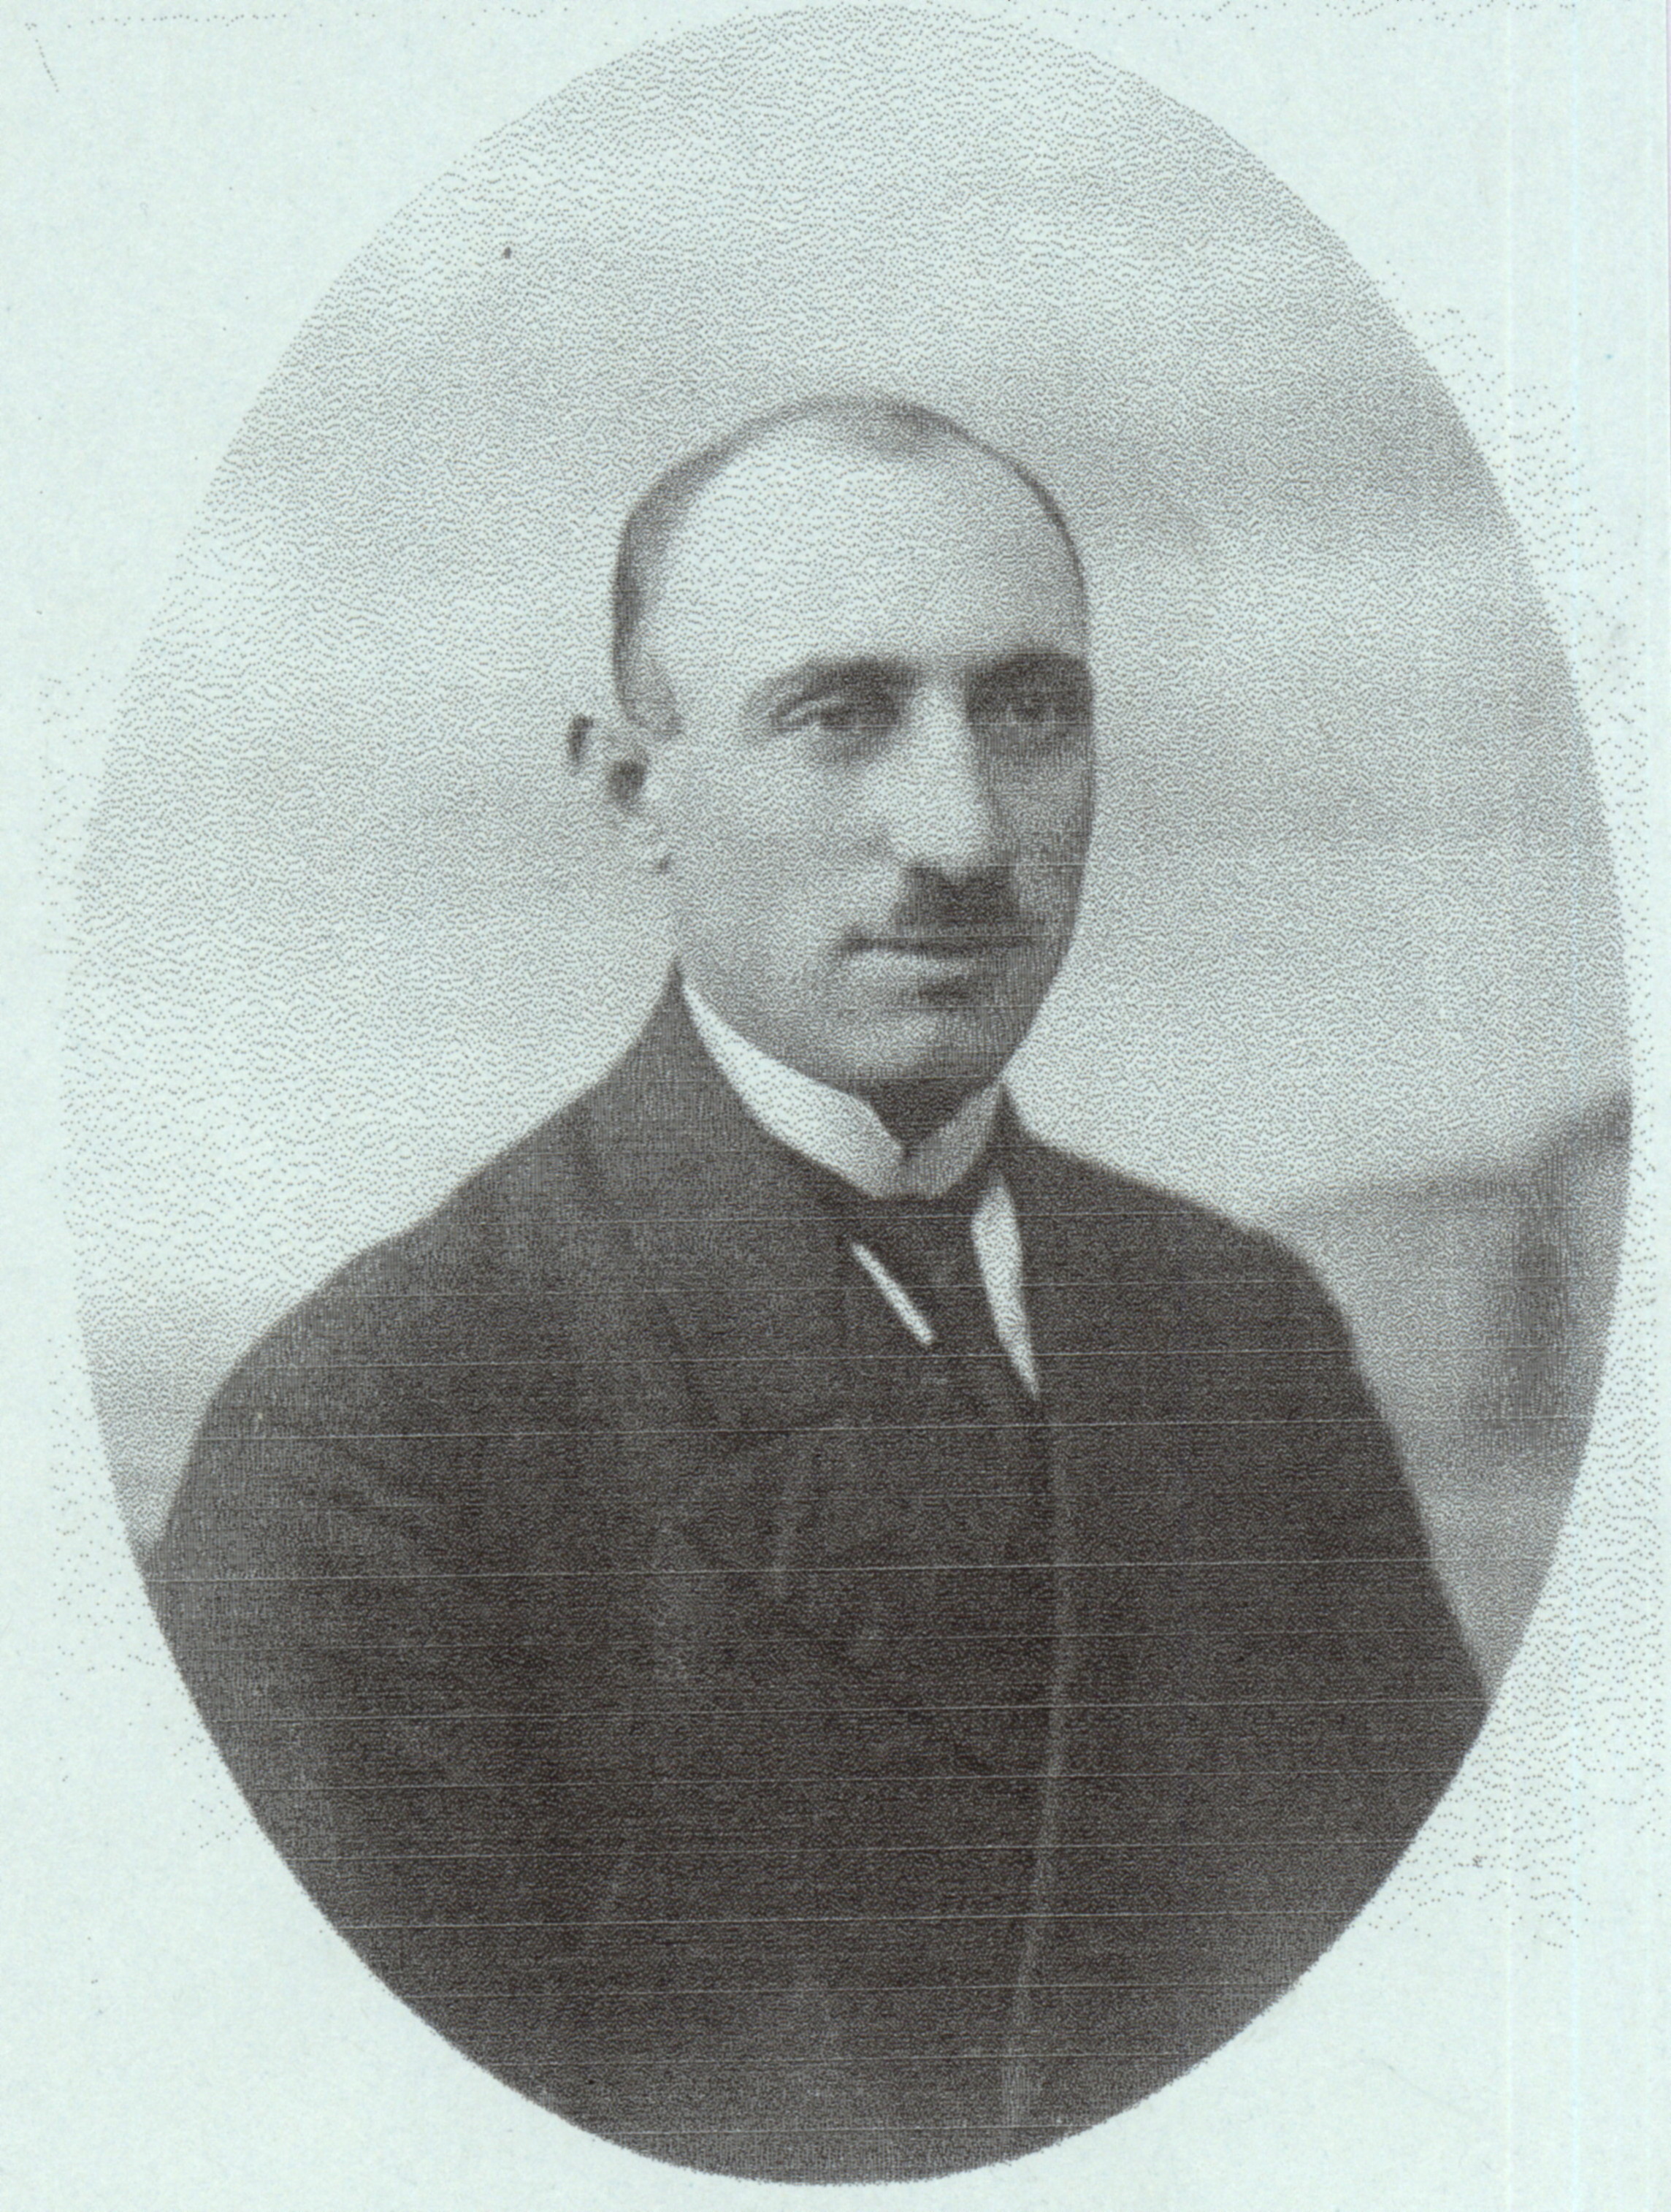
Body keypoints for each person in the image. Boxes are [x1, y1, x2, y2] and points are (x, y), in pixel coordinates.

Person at [148, 396, 1485, 2184]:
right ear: (632, 788)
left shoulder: (1242, 1334)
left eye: (1029, 710)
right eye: (839, 714)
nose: (962, 831)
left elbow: (1451, 2033)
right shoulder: (373, 1434)